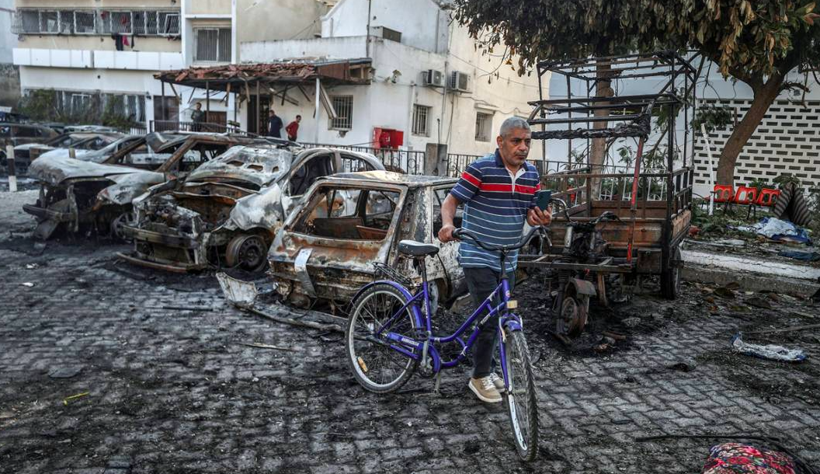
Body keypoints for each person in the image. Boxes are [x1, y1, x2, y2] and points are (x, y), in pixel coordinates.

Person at [438, 116, 551, 404]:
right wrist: (448, 225)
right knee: (489, 318)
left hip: (508, 257)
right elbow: (451, 201)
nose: (523, 147)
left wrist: (540, 216)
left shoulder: (531, 175)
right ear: (500, 142)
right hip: (478, 254)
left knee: (502, 317)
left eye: (527, 141)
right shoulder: (481, 169)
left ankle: (487, 368)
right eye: (516, 141)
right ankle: (478, 377)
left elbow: (529, 211)